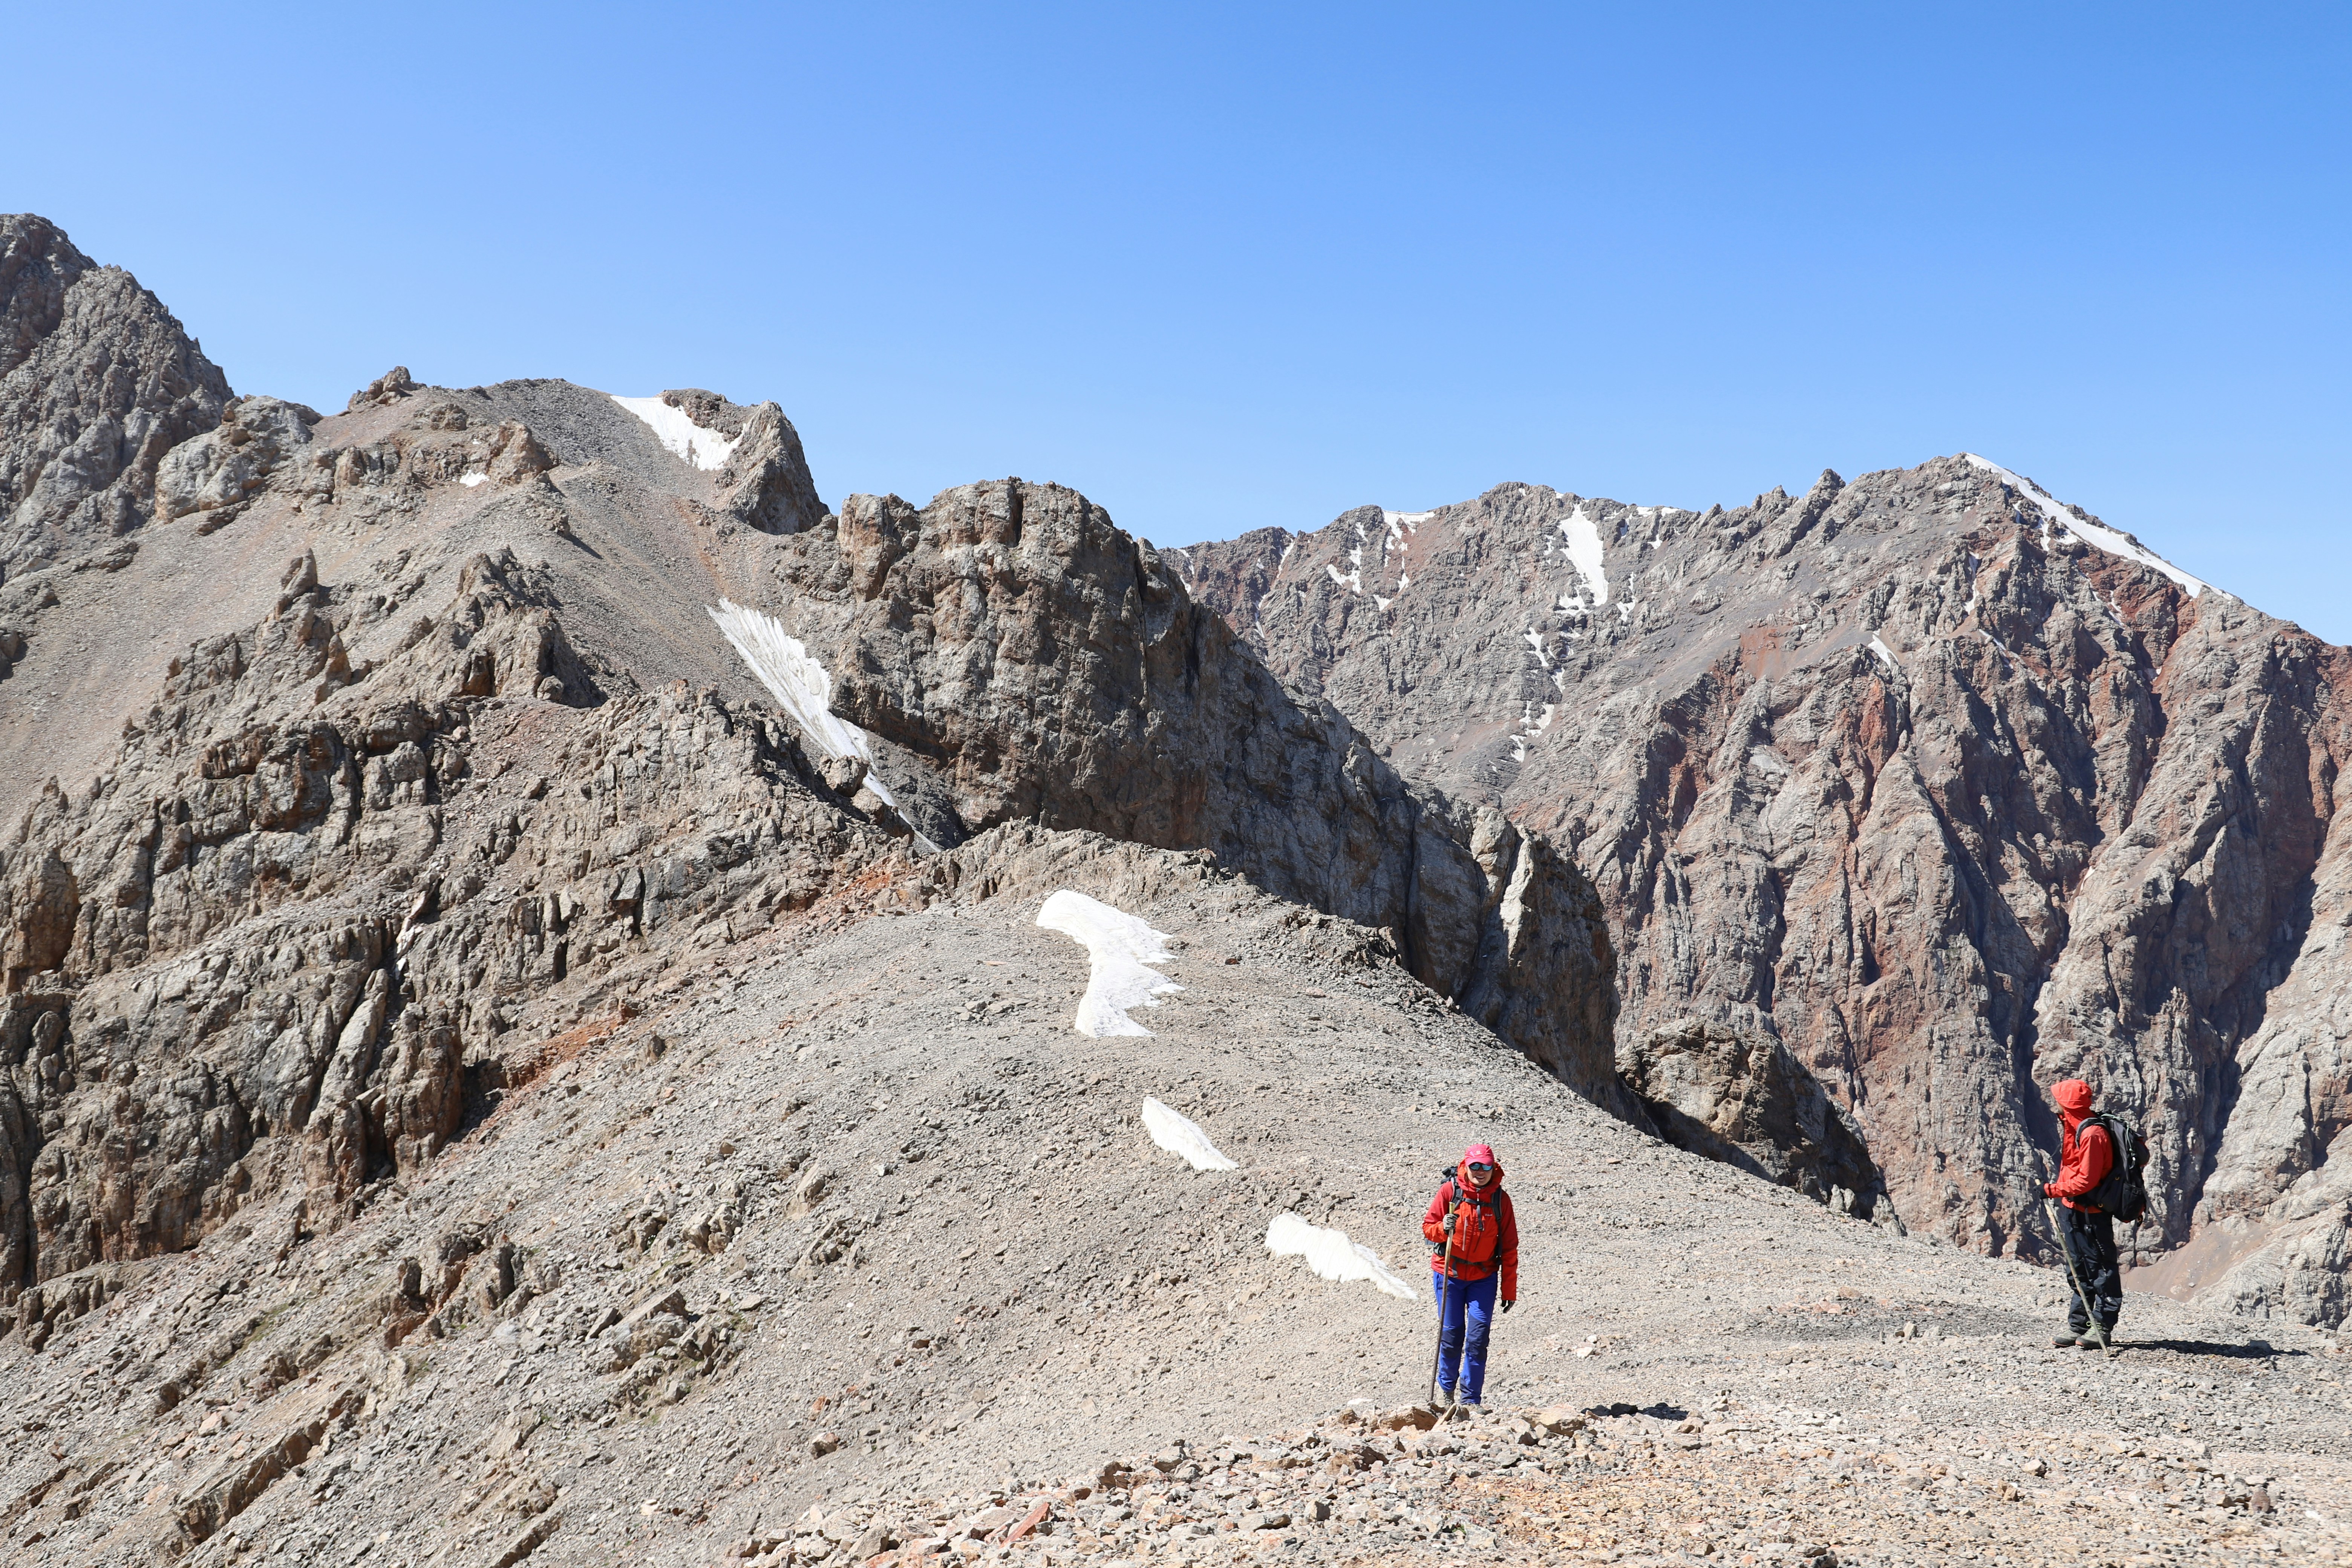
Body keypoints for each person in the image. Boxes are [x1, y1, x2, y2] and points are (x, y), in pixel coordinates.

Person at [1423, 1143, 1518, 1411]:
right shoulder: (1450, 1192)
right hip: (1449, 1272)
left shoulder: (1501, 1200)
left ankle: (1471, 1400)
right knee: (1451, 1336)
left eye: (1486, 1166)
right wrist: (1443, 1228)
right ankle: (1447, 1393)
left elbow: (1510, 1248)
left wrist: (1509, 1291)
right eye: (1475, 1166)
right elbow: (1428, 1228)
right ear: (1466, 1165)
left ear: (1493, 1168)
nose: (1480, 1171)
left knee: (1478, 1339)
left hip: (1483, 1278)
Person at [2044, 1078, 2121, 1347]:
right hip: (2072, 1209)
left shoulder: (2092, 1134)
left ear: (2068, 1104)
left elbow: (2086, 1181)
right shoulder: (2074, 1126)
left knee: (2101, 1270)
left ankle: (2102, 1326)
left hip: (2092, 1213)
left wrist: (2051, 1190)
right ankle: (2080, 1325)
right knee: (2077, 1269)